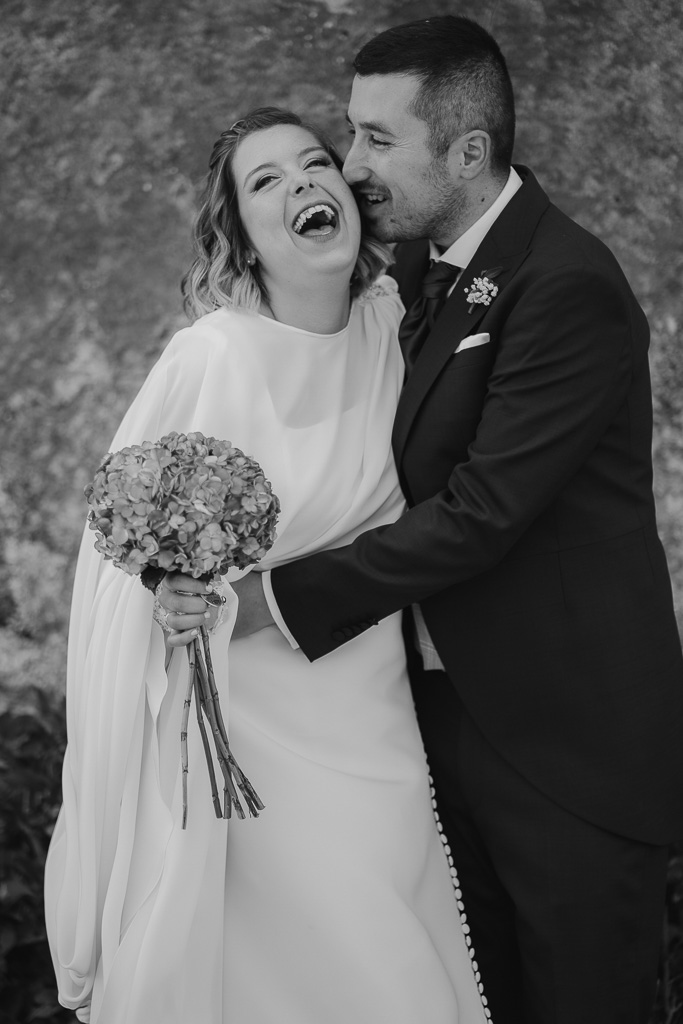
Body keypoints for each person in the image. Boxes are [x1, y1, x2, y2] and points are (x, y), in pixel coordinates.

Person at [229, 17, 683, 1024]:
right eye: (350, 136)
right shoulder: (408, 277)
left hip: (566, 753)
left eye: (375, 141)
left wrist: (271, 600)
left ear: (466, 152)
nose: (350, 169)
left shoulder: (566, 286)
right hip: (441, 732)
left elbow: (478, 515)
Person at [44, 107, 491, 1024]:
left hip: (368, 715)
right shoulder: (213, 356)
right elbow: (120, 536)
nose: (301, 186)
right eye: (265, 182)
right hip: (240, 727)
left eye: (315, 163)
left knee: (387, 959)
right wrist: (165, 592)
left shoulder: (397, 328)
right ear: (242, 237)